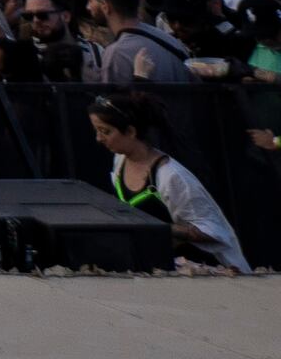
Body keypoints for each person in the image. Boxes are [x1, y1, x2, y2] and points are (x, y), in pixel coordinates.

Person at [92, 98, 249, 274]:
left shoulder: (171, 177)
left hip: (201, 272)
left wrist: (157, 229)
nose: (99, 139)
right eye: (97, 131)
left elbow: (213, 231)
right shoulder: (119, 161)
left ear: (130, 131)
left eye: (105, 131)